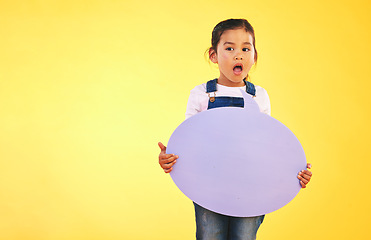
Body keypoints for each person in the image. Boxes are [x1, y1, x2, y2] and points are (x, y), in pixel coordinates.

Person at [158, 18, 312, 240]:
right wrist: (169, 157)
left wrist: (293, 172)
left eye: (245, 48)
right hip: (208, 184)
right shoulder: (201, 94)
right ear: (214, 55)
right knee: (210, 235)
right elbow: (188, 140)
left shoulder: (259, 96)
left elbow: (268, 145)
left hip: (251, 184)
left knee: (244, 237)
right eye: (229, 48)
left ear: (254, 56)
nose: (238, 54)